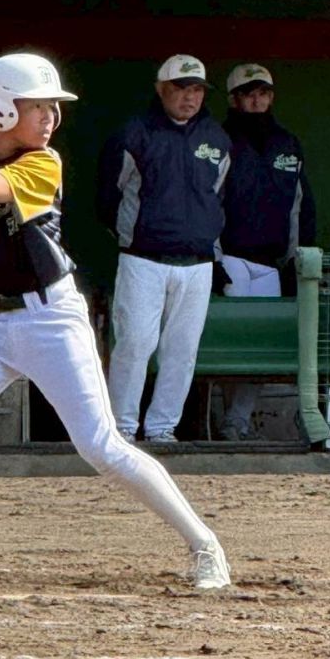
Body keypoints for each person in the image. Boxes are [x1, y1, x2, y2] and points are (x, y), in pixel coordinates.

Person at [0, 52, 231, 590]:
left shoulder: (45, 162)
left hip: (51, 319)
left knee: (101, 447)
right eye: (38, 107)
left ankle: (205, 546)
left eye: (52, 108)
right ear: (2, 108)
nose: (50, 118)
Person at [96, 54, 230, 443]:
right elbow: (108, 197)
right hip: (143, 259)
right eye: (180, 88)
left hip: (197, 262)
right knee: (135, 344)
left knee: (182, 351)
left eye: (197, 89)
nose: (189, 97)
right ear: (161, 89)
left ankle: (161, 428)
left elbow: (218, 196)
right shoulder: (135, 133)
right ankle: (122, 429)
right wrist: (134, 236)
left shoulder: (217, 139)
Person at [215, 63, 316, 441]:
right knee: (231, 346)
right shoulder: (219, 139)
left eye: (263, 93)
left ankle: (236, 422)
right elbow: (208, 203)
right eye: (248, 94)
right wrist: (213, 259)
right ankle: (215, 419)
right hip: (230, 256)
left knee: (260, 349)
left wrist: (295, 260)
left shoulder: (287, 143)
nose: (256, 100)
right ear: (234, 99)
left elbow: (300, 208)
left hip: (271, 262)